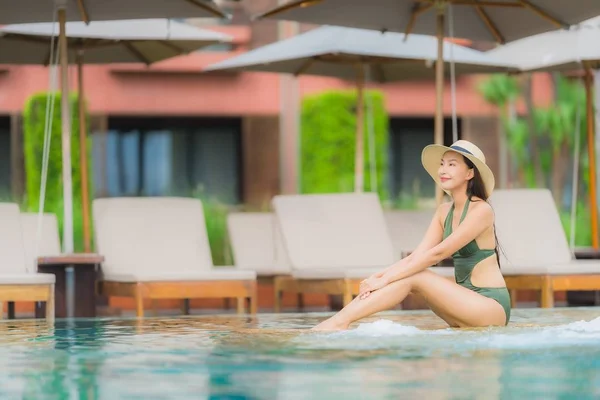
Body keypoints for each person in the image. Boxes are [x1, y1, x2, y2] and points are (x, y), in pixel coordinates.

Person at [312, 140, 511, 331]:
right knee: (410, 274)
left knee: (418, 276)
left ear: (470, 173)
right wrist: (380, 276)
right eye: (442, 164)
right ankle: (337, 321)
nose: (443, 169)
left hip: (490, 307)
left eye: (452, 164)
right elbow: (417, 256)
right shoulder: (444, 212)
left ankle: (339, 322)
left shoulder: (482, 211)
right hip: (464, 305)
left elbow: (437, 254)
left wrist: (385, 280)